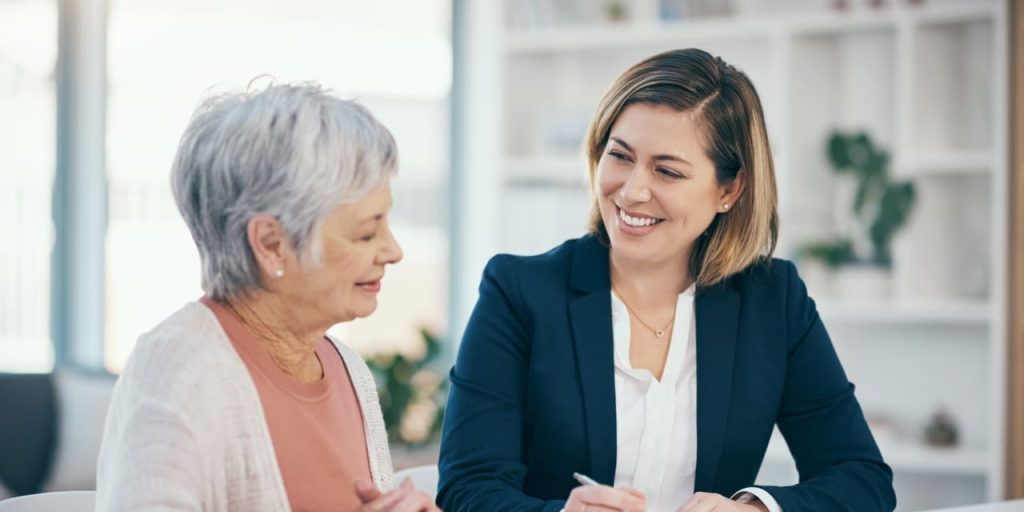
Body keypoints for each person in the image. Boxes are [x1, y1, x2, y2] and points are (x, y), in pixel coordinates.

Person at [437, 48, 896, 512]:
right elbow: (467, 487)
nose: (632, 191)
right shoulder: (518, 294)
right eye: (619, 156)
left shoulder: (773, 301)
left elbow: (861, 479)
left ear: (729, 189)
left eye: (668, 171)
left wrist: (754, 510)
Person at [96, 83, 439, 512]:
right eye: (366, 233)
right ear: (272, 243)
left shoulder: (348, 370)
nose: (393, 251)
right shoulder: (179, 366)